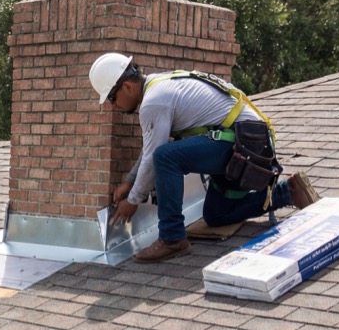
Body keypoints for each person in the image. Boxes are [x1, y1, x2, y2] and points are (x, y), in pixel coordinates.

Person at [89, 52, 320, 263]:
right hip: (247, 142)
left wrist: (134, 199)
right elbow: (151, 146)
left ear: (127, 87)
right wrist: (130, 182)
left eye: (112, 98)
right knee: (216, 215)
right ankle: (287, 191)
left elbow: (154, 155)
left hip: (245, 144)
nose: (114, 106)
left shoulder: (154, 102)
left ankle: (171, 238)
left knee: (166, 157)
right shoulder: (160, 86)